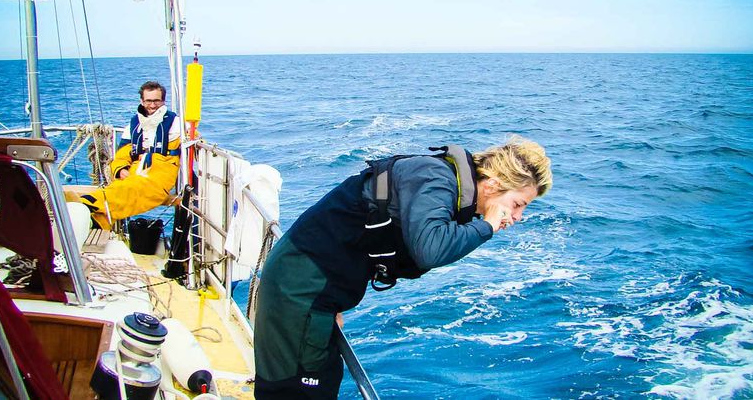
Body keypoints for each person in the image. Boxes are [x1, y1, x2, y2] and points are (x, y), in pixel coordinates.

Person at [253, 135, 552, 399]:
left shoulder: (445, 183)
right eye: (517, 204)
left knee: (319, 381)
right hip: (300, 288)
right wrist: (486, 226)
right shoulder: (437, 179)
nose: (517, 216)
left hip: (314, 289)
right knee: (295, 389)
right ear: (495, 184)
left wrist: (330, 300)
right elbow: (430, 249)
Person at [80, 81, 181, 229]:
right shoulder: (133, 126)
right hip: (136, 168)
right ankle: (97, 220)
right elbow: (122, 155)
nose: (152, 105)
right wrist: (121, 170)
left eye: (156, 101)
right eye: (148, 101)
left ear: (163, 101)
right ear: (142, 101)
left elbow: (193, 140)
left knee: (139, 187)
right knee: (121, 186)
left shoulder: (176, 124)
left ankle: (91, 202)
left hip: (162, 168)